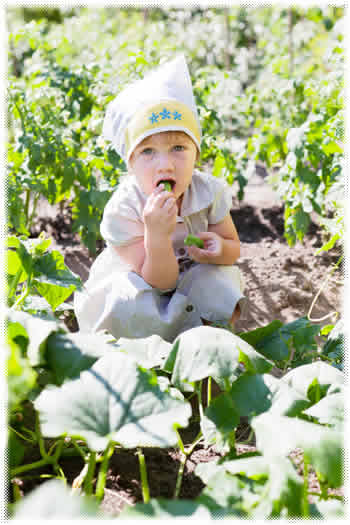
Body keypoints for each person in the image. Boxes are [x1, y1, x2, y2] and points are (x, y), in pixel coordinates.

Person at [74, 55, 247, 342]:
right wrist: (156, 234)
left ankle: (209, 343)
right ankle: (144, 352)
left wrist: (220, 249)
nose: (165, 165)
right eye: (148, 152)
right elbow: (159, 282)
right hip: (144, 282)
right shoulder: (124, 209)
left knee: (220, 279)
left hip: (190, 280)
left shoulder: (208, 192)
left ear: (197, 155)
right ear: (130, 164)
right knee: (124, 303)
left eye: (179, 147)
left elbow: (233, 248)